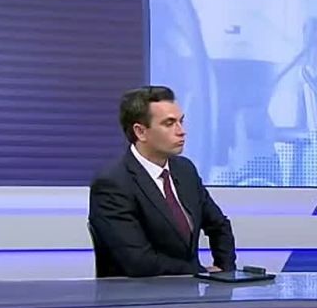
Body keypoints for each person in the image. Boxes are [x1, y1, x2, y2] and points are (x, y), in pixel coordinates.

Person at [88, 86, 236, 277]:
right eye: (169, 123)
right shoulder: (112, 184)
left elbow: (219, 225)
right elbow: (138, 262)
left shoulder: (185, 170)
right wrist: (202, 273)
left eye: (181, 121)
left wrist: (225, 273)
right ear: (141, 132)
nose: (181, 131)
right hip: (138, 293)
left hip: (190, 290)